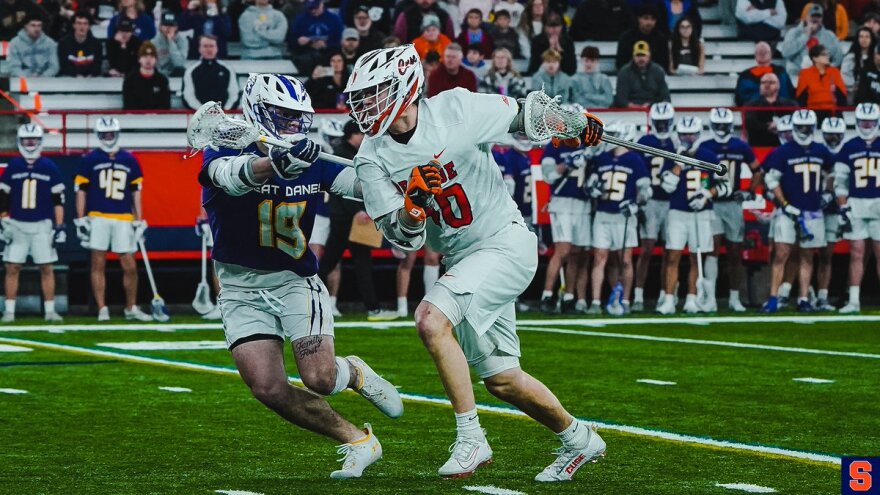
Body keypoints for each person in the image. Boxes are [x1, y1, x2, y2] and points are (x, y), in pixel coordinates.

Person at [345, 44, 606, 481]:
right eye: (364, 97)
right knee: (501, 379)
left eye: (376, 93)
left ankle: (471, 438)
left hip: (504, 241)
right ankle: (579, 438)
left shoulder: (457, 107)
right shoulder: (371, 158)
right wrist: (414, 204)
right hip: (461, 258)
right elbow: (402, 239)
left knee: (430, 318)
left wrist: (572, 122)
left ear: (406, 87)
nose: (367, 106)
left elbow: (525, 115)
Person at [201, 73, 403, 478]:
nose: (294, 126)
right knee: (268, 388)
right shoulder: (224, 147)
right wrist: (271, 164)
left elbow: (359, 186)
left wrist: (397, 180)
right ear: (259, 111)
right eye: (284, 116)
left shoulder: (312, 157)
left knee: (320, 378)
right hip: (240, 287)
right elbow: (230, 176)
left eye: (299, 118)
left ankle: (354, 372)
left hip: (294, 281)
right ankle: (358, 440)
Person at [318, 123, 399, 322]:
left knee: (337, 262)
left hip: (345, 218)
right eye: (361, 133)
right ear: (352, 135)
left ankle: (372, 307)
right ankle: (373, 308)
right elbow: (341, 188)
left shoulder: (345, 152)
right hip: (348, 219)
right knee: (347, 262)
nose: (364, 137)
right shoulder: (341, 154)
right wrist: (359, 211)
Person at [74, 117, 152, 322]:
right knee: (97, 264)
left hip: (123, 216)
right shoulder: (89, 159)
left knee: (130, 266)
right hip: (98, 215)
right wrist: (81, 218)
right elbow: (81, 191)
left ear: (116, 135)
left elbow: (136, 192)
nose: (108, 138)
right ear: (99, 136)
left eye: (110, 134)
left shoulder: (129, 159)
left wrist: (138, 219)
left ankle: (131, 306)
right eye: (104, 135)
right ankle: (102, 308)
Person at [760, 109, 833, 313]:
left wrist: (828, 193)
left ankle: (803, 298)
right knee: (781, 254)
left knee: (807, 255)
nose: (803, 130)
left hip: (812, 210)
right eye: (800, 127)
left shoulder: (820, 150)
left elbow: (834, 173)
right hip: (789, 210)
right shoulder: (783, 151)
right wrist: (784, 204)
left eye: (806, 127)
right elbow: (771, 179)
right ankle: (774, 297)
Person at [656, 117, 725, 314]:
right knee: (672, 256)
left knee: (697, 257)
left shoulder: (710, 156)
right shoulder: (671, 156)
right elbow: (666, 186)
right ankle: (669, 299)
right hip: (677, 212)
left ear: (698, 134)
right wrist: (679, 164)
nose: (688, 137)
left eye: (691, 133)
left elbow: (724, 184)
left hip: (702, 212)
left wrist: (706, 195)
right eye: (684, 134)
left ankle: (692, 298)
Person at [0, 124, 66, 323]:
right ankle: (9, 311)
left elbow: (58, 200)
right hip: (17, 224)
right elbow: (3, 196)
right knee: (12, 267)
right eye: (27, 140)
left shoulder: (49, 166)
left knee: (46, 267)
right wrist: (3, 220)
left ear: (40, 141)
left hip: (41, 224)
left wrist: (59, 225)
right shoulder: (14, 166)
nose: (30, 144)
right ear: (20, 141)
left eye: (33, 140)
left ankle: (50, 310)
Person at [585, 122, 650, 315]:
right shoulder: (602, 157)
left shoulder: (635, 159)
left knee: (625, 260)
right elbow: (591, 183)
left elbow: (645, 190)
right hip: (603, 213)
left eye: (613, 134)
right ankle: (596, 302)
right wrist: (593, 189)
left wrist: (636, 204)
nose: (609, 138)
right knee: (599, 258)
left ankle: (626, 301)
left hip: (624, 216)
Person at [701, 107, 761, 312]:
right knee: (712, 250)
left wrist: (750, 191)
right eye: (718, 125)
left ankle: (734, 297)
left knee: (735, 252)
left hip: (732, 204)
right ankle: (710, 297)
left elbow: (757, 170)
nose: (721, 129)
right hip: (712, 204)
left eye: (724, 125)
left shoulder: (739, 146)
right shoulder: (706, 146)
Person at [539, 119, 591, 313]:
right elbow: (548, 175)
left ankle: (569, 296)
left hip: (583, 202)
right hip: (562, 203)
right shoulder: (555, 145)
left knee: (577, 253)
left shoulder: (589, 145)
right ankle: (547, 295)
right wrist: (567, 163)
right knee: (563, 250)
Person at [833, 103, 880, 314]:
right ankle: (853, 300)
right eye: (863, 121)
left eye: (870, 121)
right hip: (857, 203)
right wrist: (843, 207)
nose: (867, 125)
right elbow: (840, 182)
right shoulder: (850, 146)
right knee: (856, 252)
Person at [632, 102, 677, 312]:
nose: (661, 126)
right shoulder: (645, 141)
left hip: (672, 202)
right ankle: (639, 295)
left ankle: (665, 293)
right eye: (658, 122)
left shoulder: (677, 142)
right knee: (647, 249)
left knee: (671, 251)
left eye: (664, 122)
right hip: (650, 201)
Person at [815, 115, 845, 311]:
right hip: (814, 208)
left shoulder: (846, 153)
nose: (832, 137)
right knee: (805, 254)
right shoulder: (818, 151)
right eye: (829, 134)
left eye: (836, 134)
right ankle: (805, 293)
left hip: (835, 209)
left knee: (827, 254)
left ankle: (823, 295)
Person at [780, 4, 843, 82]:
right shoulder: (793, 33)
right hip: (797, 75)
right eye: (812, 16)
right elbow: (785, 52)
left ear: (822, 19)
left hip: (822, 75)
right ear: (806, 17)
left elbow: (838, 57)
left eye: (818, 16)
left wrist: (828, 68)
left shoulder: (829, 35)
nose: (815, 19)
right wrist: (805, 36)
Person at [182, 35, 239, 110]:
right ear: (199, 48)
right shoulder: (191, 71)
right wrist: (203, 112)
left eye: (212, 46)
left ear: (217, 48)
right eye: (205, 46)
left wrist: (224, 111)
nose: (209, 49)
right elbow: (188, 96)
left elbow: (234, 94)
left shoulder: (228, 69)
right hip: (199, 117)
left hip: (224, 117)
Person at [289, 0, 343, 76]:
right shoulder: (299, 20)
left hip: (329, 53)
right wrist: (299, 41)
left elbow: (339, 39)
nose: (313, 10)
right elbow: (292, 40)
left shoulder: (334, 19)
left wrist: (326, 44)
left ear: (322, 4)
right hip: (307, 53)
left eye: (315, 8)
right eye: (311, 8)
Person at [744, 72, 798, 146]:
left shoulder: (791, 104)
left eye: (771, 82)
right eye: (763, 82)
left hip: (784, 146)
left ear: (778, 85)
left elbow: (796, 122)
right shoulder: (750, 105)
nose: (767, 85)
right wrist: (768, 126)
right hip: (759, 145)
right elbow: (749, 123)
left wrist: (780, 125)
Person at [734, 41, 795, 105]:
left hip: (779, 110)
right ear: (755, 55)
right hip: (754, 111)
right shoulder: (745, 76)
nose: (762, 54)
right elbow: (740, 100)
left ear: (771, 54)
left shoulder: (781, 73)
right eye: (760, 52)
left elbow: (789, 96)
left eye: (765, 52)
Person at [614, 41, 671, 108]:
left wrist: (651, 106)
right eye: (638, 56)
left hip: (653, 109)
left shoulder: (658, 71)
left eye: (643, 55)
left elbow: (666, 97)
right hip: (629, 112)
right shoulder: (624, 72)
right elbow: (620, 99)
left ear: (649, 55)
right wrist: (635, 107)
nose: (641, 59)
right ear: (633, 56)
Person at [796, 44, 847, 119]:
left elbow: (842, 96)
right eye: (824, 54)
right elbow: (801, 98)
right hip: (812, 113)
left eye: (828, 54)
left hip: (832, 112)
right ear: (815, 58)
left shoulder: (835, 72)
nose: (827, 57)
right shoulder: (805, 74)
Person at [616, 5, 670, 73]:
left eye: (652, 19)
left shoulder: (661, 39)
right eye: (646, 18)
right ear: (639, 19)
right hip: (631, 75)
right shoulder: (626, 38)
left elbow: (664, 64)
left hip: (654, 76)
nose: (649, 22)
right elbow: (621, 63)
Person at [7, 12, 59, 77]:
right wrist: (27, 78)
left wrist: (43, 77)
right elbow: (14, 67)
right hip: (22, 81)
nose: (37, 29)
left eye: (39, 25)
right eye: (33, 25)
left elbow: (54, 67)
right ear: (25, 26)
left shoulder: (50, 43)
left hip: (46, 81)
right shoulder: (15, 43)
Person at [122, 41, 171, 110]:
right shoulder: (129, 80)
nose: (148, 59)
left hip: (158, 119)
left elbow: (165, 105)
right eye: (145, 56)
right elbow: (128, 105)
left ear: (156, 59)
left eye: (152, 56)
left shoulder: (162, 80)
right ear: (139, 59)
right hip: (135, 119)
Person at [57, 10, 102, 77]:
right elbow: (63, 65)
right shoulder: (63, 43)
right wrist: (76, 75)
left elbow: (97, 66)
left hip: (90, 79)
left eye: (85, 23)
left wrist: (89, 75)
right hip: (69, 79)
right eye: (79, 23)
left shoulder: (97, 44)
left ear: (89, 26)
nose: (82, 27)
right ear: (73, 25)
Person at [842, 27, 876, 100]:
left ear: (871, 39)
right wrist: (855, 86)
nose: (864, 39)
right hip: (855, 93)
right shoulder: (850, 57)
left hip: (875, 90)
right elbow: (845, 75)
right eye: (861, 37)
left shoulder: (876, 57)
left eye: (867, 37)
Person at [152, 11, 187, 76]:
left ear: (176, 27)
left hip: (175, 73)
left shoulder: (182, 40)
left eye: (171, 25)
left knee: (181, 70)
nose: (168, 28)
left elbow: (179, 63)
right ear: (160, 27)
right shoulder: (154, 42)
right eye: (165, 25)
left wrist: (171, 42)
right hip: (158, 73)